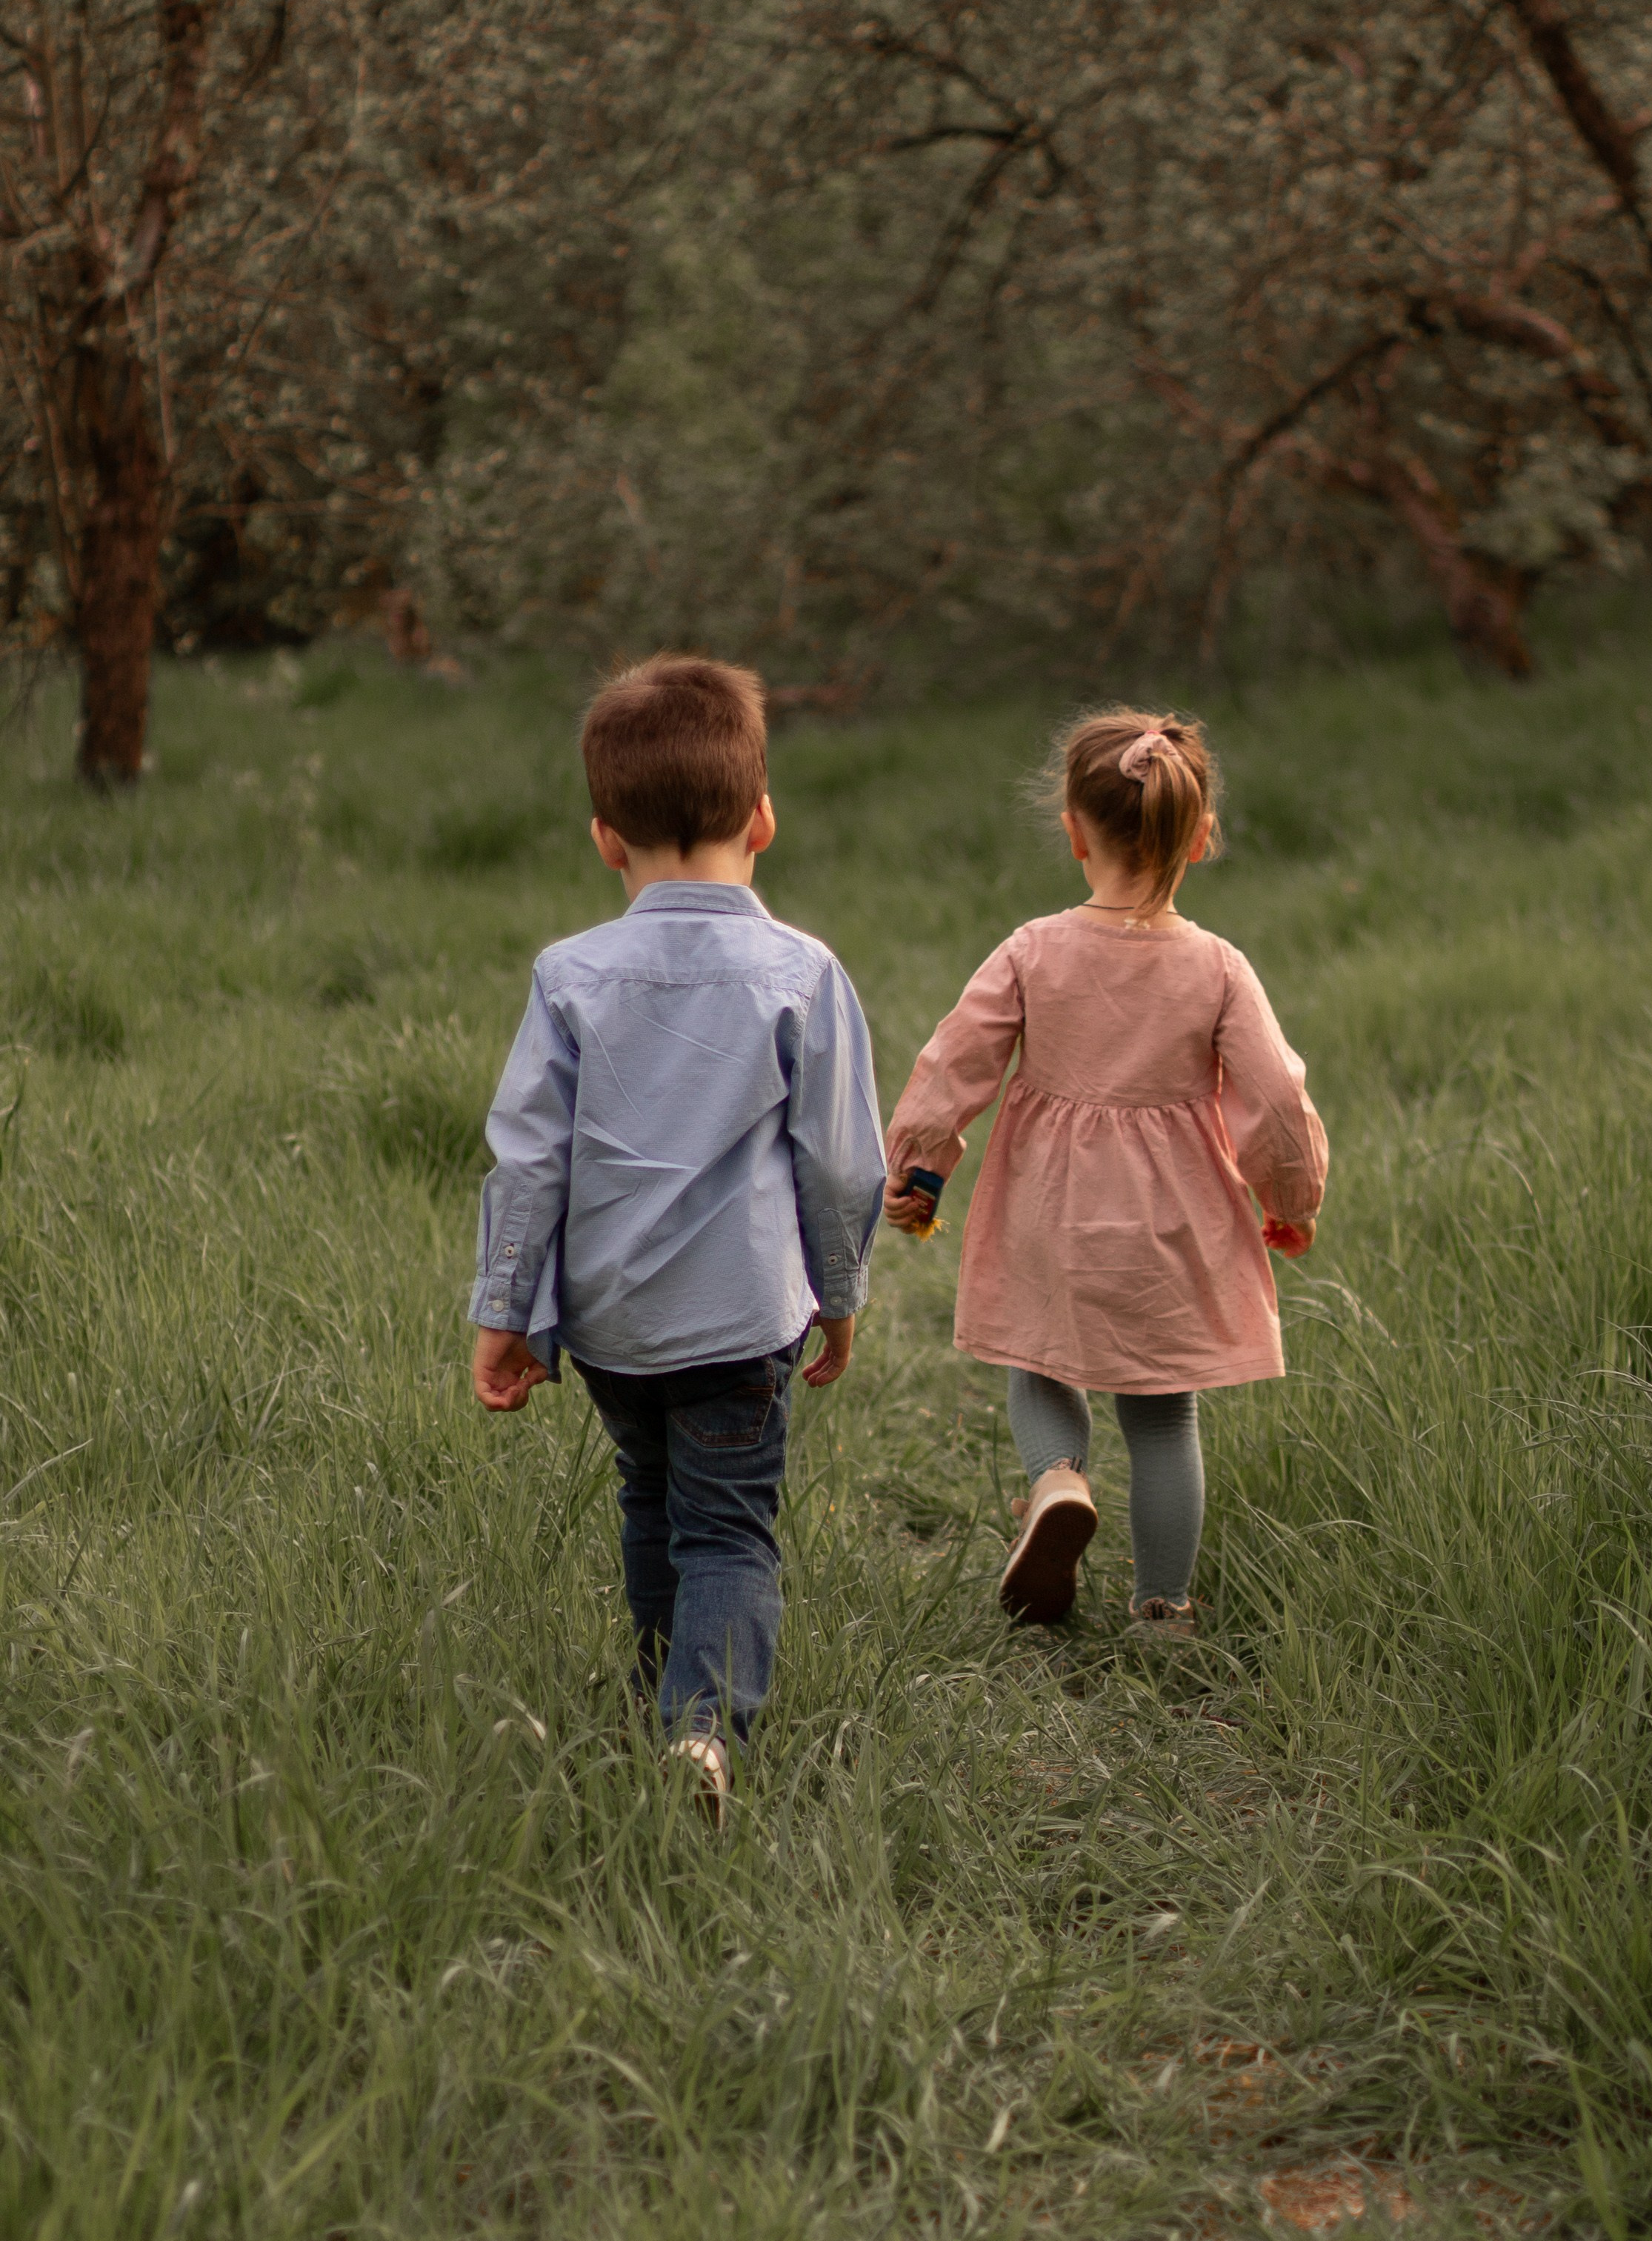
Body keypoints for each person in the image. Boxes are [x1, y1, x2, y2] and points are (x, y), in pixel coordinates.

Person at [469, 653, 885, 1822]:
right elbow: (844, 1159)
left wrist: (508, 1317)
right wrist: (839, 1292)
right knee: (730, 1529)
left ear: (606, 838)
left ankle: (662, 1706)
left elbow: (530, 1161)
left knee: (648, 1499)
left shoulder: (569, 977)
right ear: (763, 817)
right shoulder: (800, 972)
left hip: (611, 1323)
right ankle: (701, 1733)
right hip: (742, 1317)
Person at [883, 709, 1326, 1633]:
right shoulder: (1217, 968)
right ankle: (1161, 1612)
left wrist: (919, 1176)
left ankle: (1054, 1484)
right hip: (1173, 1226)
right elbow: (1277, 1101)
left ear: (1073, 832)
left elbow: (951, 1067)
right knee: (1163, 1418)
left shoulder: (1031, 951)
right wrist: (1288, 1199)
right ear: (1199, 840)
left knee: (1038, 1361)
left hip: (1047, 1208)